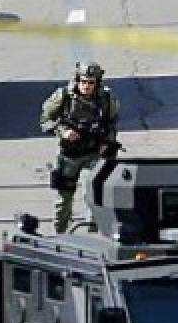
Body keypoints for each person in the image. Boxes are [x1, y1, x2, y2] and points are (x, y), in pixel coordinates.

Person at [40, 61, 120, 234]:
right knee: (63, 199)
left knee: (93, 195)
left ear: (97, 83)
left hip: (94, 153)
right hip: (70, 154)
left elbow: (112, 123)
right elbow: (45, 120)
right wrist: (63, 131)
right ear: (77, 80)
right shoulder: (63, 96)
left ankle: (92, 234)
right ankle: (59, 234)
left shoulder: (106, 99)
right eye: (83, 81)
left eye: (91, 82)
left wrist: (107, 142)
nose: (86, 86)